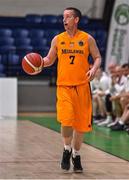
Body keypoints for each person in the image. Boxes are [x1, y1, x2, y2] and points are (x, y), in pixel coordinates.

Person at [42, 7, 101, 173]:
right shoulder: (57, 39)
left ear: (76, 20)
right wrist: (40, 62)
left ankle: (76, 154)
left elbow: (97, 57)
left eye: (67, 17)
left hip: (82, 87)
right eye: (63, 17)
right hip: (64, 87)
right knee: (67, 120)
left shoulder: (87, 39)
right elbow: (49, 59)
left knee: (81, 126)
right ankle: (66, 149)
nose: (64, 20)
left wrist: (94, 68)